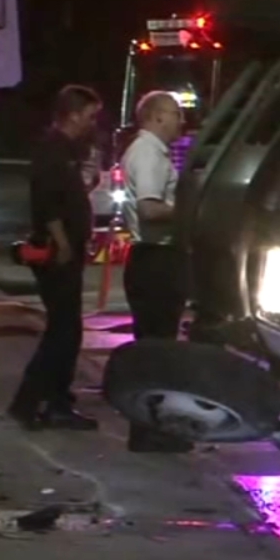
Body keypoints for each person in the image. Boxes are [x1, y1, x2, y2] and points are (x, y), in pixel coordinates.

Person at [8, 85, 102, 430]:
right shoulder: (52, 150)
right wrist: (63, 243)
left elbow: (66, 197)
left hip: (69, 248)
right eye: (90, 115)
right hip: (57, 252)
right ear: (74, 114)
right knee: (63, 331)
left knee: (67, 329)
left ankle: (53, 400)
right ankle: (36, 401)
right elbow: (47, 203)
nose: (93, 122)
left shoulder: (66, 152)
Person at [120, 90, 193, 453]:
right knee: (157, 350)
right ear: (156, 116)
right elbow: (150, 209)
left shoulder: (148, 151)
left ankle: (150, 427)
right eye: (176, 114)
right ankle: (149, 430)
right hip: (155, 259)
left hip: (152, 257)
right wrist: (192, 210)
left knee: (154, 347)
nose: (182, 121)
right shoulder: (149, 153)